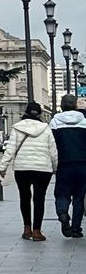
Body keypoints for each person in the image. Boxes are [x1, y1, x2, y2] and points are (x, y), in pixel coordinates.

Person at [0, 102, 57, 241]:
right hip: (42, 169)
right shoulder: (46, 129)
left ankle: (27, 228)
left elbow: (10, 149)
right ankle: (37, 231)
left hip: (22, 168)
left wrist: (3, 167)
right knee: (39, 198)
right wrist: (55, 167)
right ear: (40, 114)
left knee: (24, 197)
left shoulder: (17, 128)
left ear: (26, 112)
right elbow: (53, 151)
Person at [50, 94, 86, 238]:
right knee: (79, 196)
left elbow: (51, 145)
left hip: (63, 164)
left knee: (62, 193)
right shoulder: (84, 122)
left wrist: (53, 164)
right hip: (83, 164)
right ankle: (76, 229)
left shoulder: (54, 123)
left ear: (61, 106)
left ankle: (63, 213)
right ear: (76, 106)